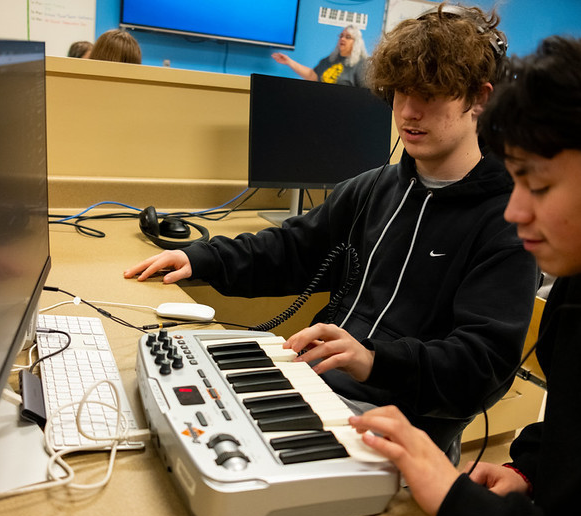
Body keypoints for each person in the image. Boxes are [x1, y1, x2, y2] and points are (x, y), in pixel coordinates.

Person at [124, 3, 539, 463]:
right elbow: (291, 248)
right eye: (401, 92)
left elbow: (482, 363)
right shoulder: (374, 188)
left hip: (404, 429)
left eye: (430, 94)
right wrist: (201, 258)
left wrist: (374, 360)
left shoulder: (509, 221)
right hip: (316, 388)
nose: (408, 111)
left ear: (479, 98)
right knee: (172, 425)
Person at [349, 23, 581, 516]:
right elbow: (574, 432)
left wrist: (460, 501)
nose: (515, 213)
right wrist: (528, 471)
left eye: (538, 185)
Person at [271, 25, 369, 86]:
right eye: (341, 36)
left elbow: (365, 93)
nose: (342, 39)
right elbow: (312, 76)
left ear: (356, 42)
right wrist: (289, 62)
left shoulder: (361, 65)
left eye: (348, 37)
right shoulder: (330, 60)